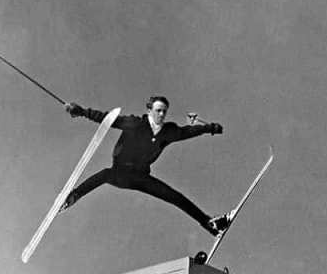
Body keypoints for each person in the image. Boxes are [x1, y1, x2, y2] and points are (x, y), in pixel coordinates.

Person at [60, 95, 230, 235]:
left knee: (173, 195)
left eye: (164, 111)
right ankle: (74, 196)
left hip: (141, 177)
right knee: (105, 174)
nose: (161, 115)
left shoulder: (168, 131)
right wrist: (81, 111)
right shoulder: (135, 123)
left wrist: (209, 128)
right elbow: (107, 119)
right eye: (158, 111)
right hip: (121, 173)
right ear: (149, 110)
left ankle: (210, 223)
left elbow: (188, 131)